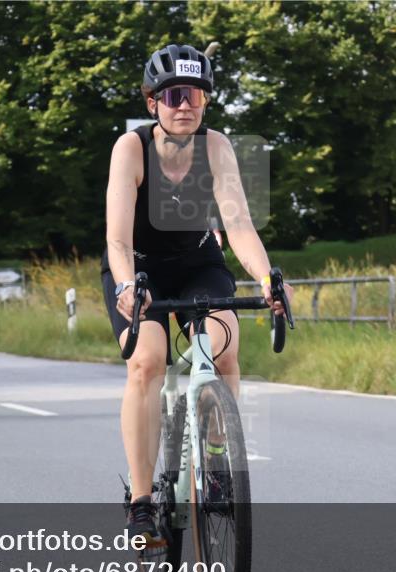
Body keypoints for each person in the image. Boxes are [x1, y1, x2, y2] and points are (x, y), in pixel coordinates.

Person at [101, 44, 293, 538]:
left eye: (197, 94)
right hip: (137, 268)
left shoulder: (217, 147)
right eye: (175, 94)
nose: (186, 104)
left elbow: (240, 225)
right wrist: (126, 287)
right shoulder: (131, 149)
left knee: (223, 340)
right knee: (147, 361)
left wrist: (267, 279)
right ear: (153, 103)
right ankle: (142, 500)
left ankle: (215, 458)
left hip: (196, 263)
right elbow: (118, 238)